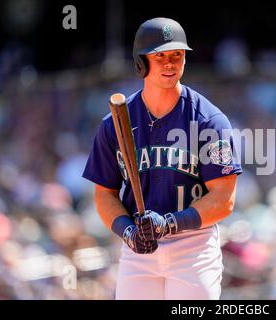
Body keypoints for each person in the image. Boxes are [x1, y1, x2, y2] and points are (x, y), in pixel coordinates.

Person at [82, 17, 242, 300]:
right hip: (138, 251)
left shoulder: (209, 121)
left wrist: (169, 223)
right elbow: (104, 194)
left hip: (193, 245)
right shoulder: (115, 124)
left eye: (177, 55)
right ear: (141, 62)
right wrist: (127, 231)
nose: (170, 63)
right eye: (160, 56)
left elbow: (224, 199)